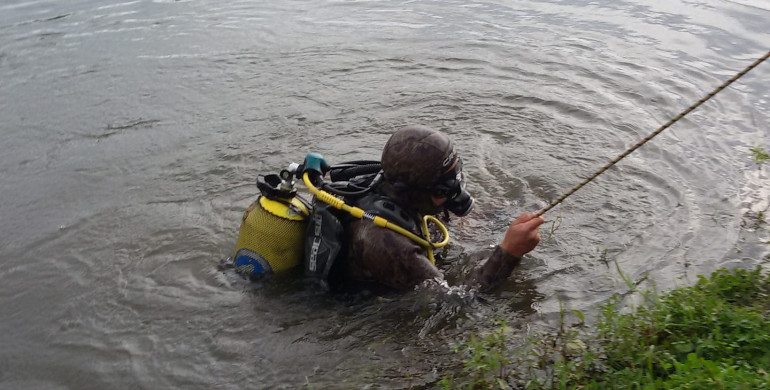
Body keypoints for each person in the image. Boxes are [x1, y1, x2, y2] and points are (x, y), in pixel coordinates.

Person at [329, 125, 544, 293]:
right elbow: (454, 302)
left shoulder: (391, 186)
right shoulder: (390, 246)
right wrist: (509, 253)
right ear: (416, 193)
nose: (455, 193)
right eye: (444, 190)